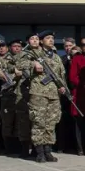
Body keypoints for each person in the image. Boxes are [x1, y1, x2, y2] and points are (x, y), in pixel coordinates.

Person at [17, 29, 65, 163]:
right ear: (42, 41)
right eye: (48, 38)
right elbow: (20, 63)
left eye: (52, 38)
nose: (51, 40)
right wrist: (34, 64)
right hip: (38, 93)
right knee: (39, 122)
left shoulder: (56, 56)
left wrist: (63, 87)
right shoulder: (34, 53)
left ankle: (48, 150)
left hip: (54, 94)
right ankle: (39, 152)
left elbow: (61, 75)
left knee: (51, 123)